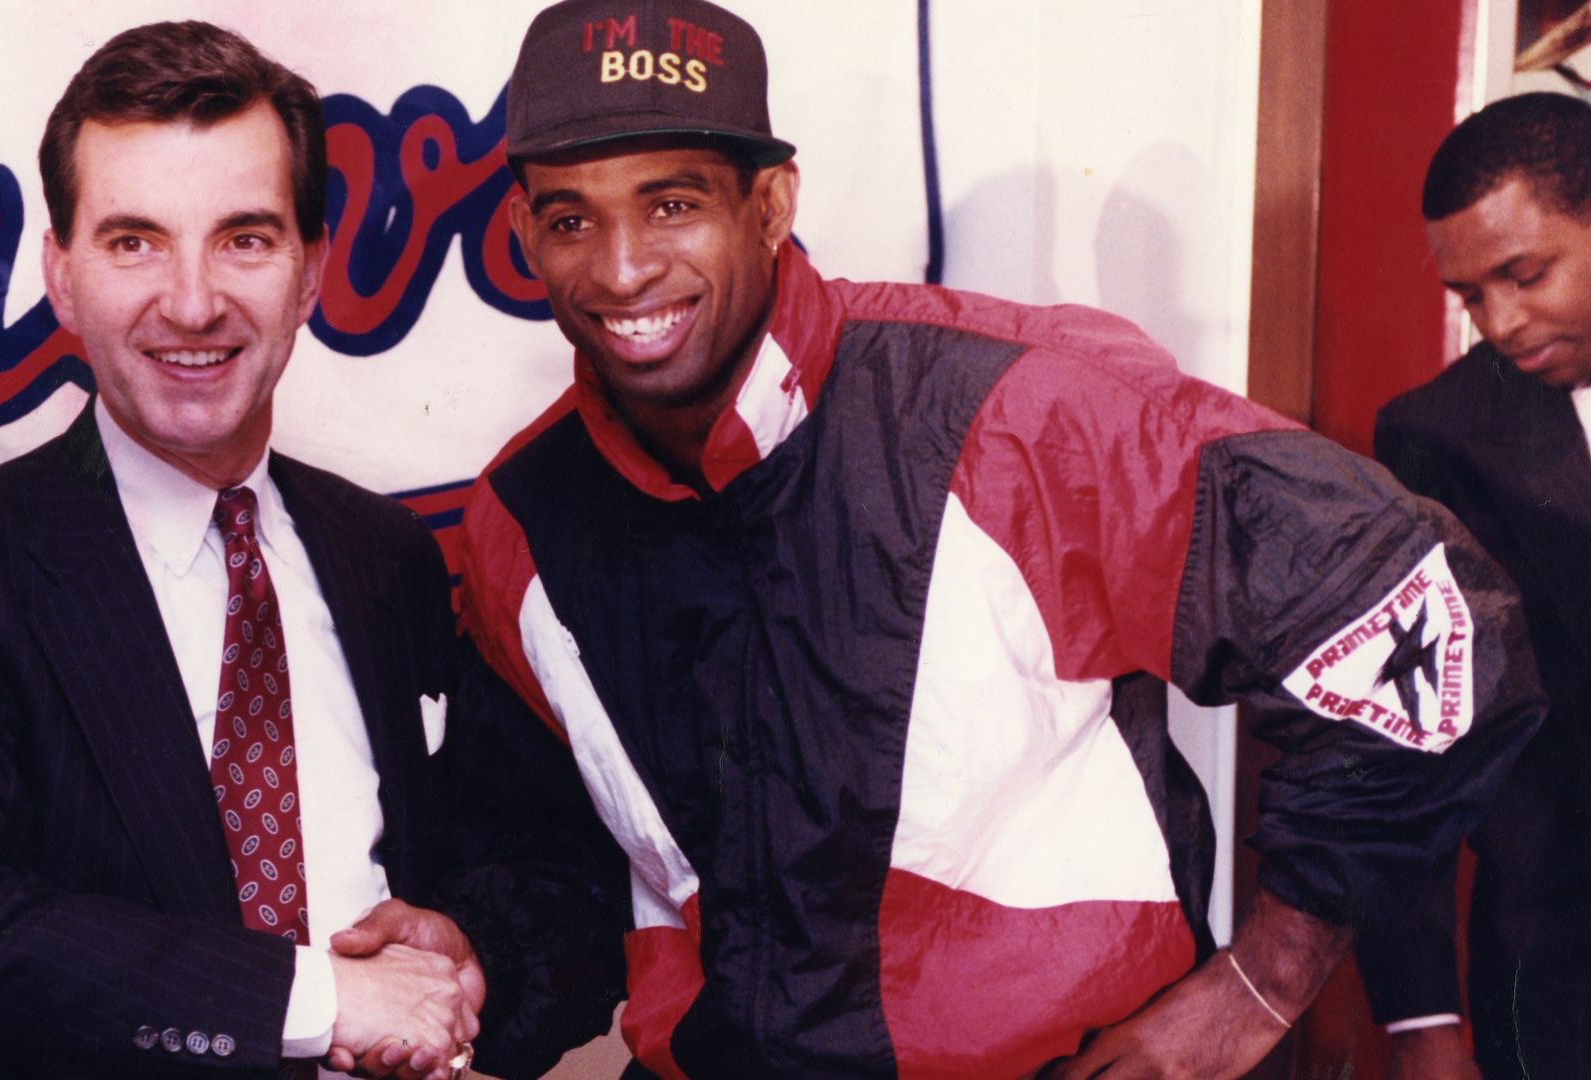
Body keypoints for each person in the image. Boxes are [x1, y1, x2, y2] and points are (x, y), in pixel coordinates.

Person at [419, 1, 1548, 1076]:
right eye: (572, 218)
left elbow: (1425, 618)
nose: (621, 270)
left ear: (770, 204)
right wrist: (476, 966)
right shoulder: (522, 514)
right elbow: (552, 862)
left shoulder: (1019, 412)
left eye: (672, 205)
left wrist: (1261, 984)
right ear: (523, 229)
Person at [0, 22, 479, 1080]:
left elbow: (494, 860)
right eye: (135, 241)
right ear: (62, 278)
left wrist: (461, 956)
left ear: (309, 276)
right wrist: (312, 999)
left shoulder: (385, 555)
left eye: (245, 238)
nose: (194, 300)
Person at [1357, 91, 1591, 1080]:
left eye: (1524, 274)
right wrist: (1420, 1015)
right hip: (1559, 971)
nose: (1497, 321)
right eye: (1468, 296)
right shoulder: (1436, 438)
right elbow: (1401, 732)